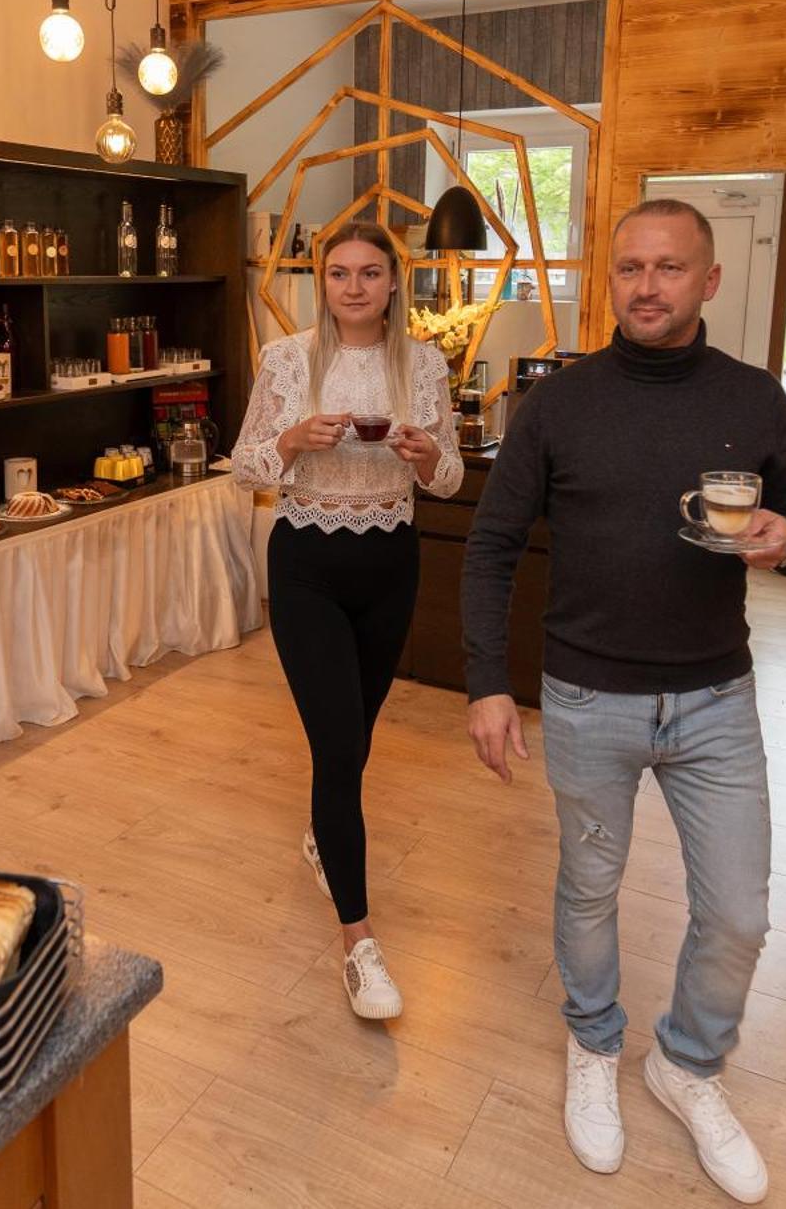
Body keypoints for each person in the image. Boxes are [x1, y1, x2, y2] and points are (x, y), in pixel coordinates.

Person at [460, 199, 786, 1204]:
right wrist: (486, 683)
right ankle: (592, 1045)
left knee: (740, 912)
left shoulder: (752, 397)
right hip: (585, 695)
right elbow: (493, 543)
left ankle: (684, 1062)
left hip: (715, 696)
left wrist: (784, 540)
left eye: (668, 268)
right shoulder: (559, 402)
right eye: (628, 266)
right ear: (609, 280)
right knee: (588, 889)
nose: (645, 285)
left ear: (707, 281)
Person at [232, 220, 464, 1019]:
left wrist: (426, 456)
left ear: (394, 283)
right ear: (321, 282)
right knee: (337, 748)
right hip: (306, 565)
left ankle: (321, 834)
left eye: (370, 273)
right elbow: (244, 467)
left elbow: (450, 477)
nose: (355, 286)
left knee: (355, 737)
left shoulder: (426, 364)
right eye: (339, 273)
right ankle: (359, 944)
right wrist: (292, 439)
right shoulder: (285, 359)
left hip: (392, 564)